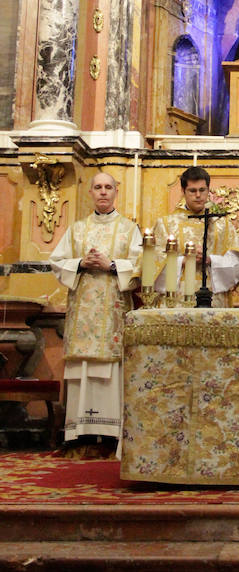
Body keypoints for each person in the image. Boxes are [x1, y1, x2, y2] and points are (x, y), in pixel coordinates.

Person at [50, 172, 142, 454]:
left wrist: (112, 265)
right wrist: (80, 263)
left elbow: (141, 265)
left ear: (117, 191)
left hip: (112, 311)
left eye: (108, 187)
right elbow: (56, 261)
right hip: (83, 309)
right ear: (90, 192)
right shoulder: (77, 229)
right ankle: (81, 435)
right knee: (82, 368)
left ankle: (111, 434)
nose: (103, 192)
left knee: (110, 368)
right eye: (98, 187)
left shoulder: (129, 229)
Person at [153, 166, 239, 306]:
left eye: (202, 190)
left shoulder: (222, 224)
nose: (198, 195)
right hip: (176, 300)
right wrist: (184, 261)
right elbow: (152, 264)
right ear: (183, 191)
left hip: (214, 300)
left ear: (208, 190)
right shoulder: (166, 224)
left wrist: (209, 260)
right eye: (192, 191)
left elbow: (236, 264)